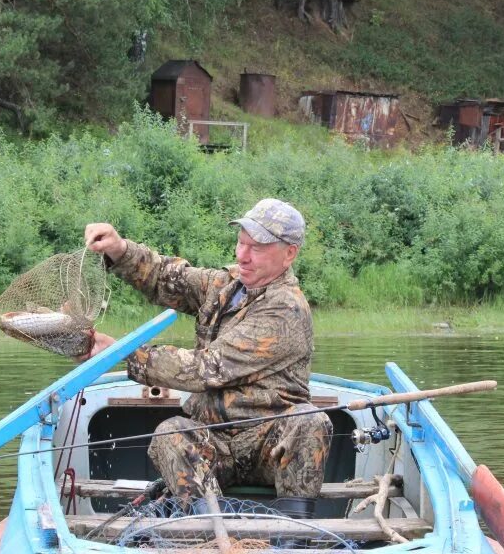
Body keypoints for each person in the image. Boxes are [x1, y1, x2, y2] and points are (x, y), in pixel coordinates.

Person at [83, 198, 332, 506]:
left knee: (309, 420)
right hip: (215, 442)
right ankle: (206, 527)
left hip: (268, 446)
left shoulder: (286, 309)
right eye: (241, 243)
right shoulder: (226, 285)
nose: (243, 255)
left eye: (256, 248)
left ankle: (295, 536)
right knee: (170, 433)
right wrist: (119, 249)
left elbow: (207, 368)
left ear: (289, 254)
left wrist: (123, 352)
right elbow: (165, 278)